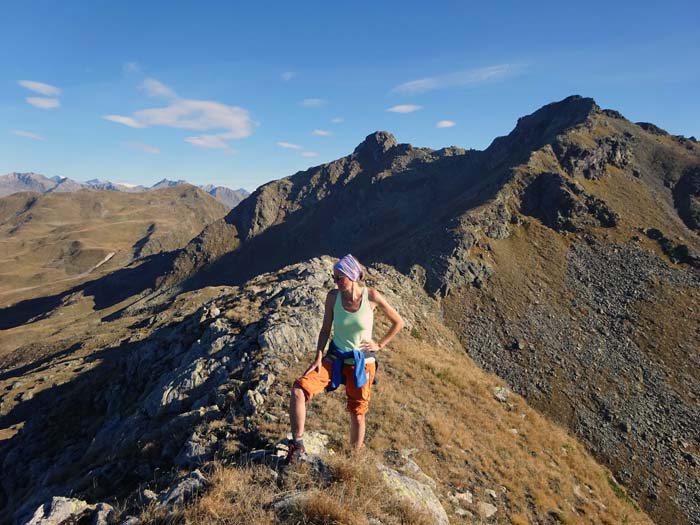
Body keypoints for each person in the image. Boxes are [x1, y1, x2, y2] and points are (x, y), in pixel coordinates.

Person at [287, 254, 404, 463]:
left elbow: (398, 322)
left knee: (358, 414)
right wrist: (318, 356)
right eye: (334, 278)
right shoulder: (333, 297)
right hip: (335, 358)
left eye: (339, 278)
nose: (336, 282)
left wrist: (379, 344)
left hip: (362, 363)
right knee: (298, 390)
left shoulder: (372, 296)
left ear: (352, 276)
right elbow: (325, 330)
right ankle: (297, 445)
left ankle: (354, 460)